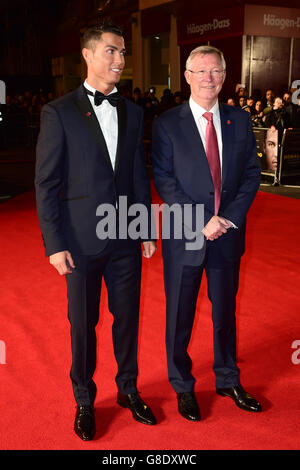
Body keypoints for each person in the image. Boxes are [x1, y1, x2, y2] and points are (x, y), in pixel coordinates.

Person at [35, 22, 157, 441]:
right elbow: (47, 183)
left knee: (127, 321)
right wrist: (55, 245)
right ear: (87, 55)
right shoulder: (59, 111)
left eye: (123, 53)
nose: (120, 60)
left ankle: (128, 390)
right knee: (82, 324)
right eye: (111, 51)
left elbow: (138, 175)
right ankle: (84, 399)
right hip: (80, 242)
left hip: (125, 238)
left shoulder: (134, 110)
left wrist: (144, 228)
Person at [152, 45, 262, 422]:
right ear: (187, 77)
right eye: (200, 71)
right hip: (186, 236)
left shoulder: (240, 121)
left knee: (225, 313)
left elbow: (251, 175)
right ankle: (182, 385)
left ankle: (227, 378)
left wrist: (227, 218)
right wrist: (202, 220)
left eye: (215, 71)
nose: (208, 78)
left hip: (227, 235)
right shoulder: (167, 123)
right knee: (179, 315)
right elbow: (164, 180)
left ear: (225, 74)